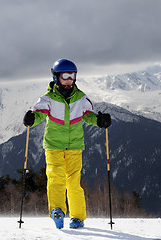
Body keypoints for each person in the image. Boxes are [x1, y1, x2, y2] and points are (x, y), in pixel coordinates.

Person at [23, 59, 111, 229]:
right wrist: (32, 119)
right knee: (56, 178)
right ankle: (57, 210)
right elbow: (39, 113)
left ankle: (77, 217)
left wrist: (99, 121)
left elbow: (88, 115)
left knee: (73, 183)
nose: (70, 79)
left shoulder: (81, 98)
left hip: (75, 146)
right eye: (66, 75)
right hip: (53, 145)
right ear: (56, 77)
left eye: (73, 75)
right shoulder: (48, 98)